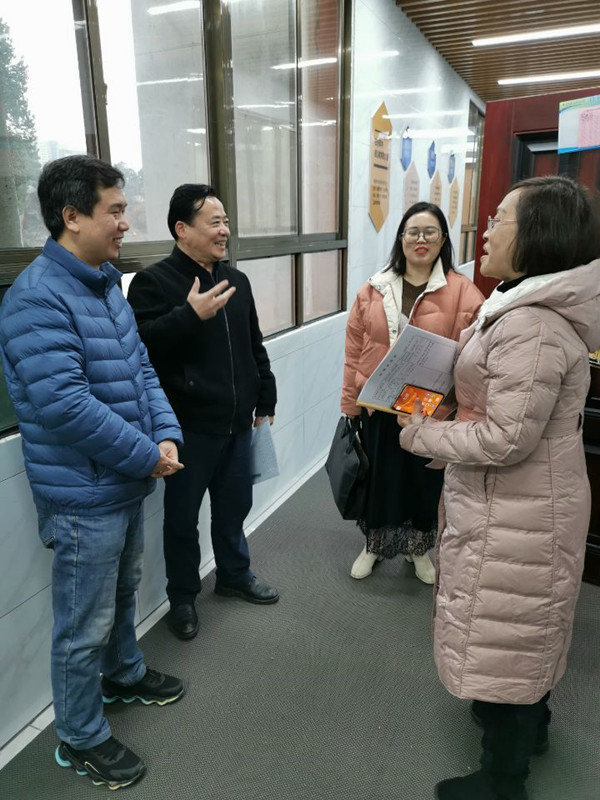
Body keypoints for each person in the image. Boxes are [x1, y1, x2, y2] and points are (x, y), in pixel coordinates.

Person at [398, 176, 600, 800]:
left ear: (538, 235)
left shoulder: (530, 325)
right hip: (517, 502)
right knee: (520, 628)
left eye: (500, 218)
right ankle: (529, 730)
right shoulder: (517, 304)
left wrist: (420, 436)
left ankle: (503, 782)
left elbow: (506, 439)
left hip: (519, 510)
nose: (485, 230)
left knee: (510, 633)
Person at [0, 155, 185, 790]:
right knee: (83, 626)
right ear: (72, 216)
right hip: (83, 495)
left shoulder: (105, 285)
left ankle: (124, 674)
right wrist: (147, 455)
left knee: (123, 593)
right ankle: (79, 736)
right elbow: (65, 407)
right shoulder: (36, 298)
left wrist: (165, 432)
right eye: (116, 210)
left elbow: (141, 370)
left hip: (122, 480)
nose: (126, 223)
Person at [128, 184, 278, 642]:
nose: (224, 230)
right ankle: (183, 598)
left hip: (237, 422)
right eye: (214, 222)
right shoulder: (153, 282)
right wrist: (189, 316)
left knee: (234, 508)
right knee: (181, 520)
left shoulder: (237, 280)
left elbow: (253, 343)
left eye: (225, 221)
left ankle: (233, 574)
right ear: (182, 228)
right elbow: (141, 346)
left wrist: (266, 395)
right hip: (187, 428)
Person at [342, 202, 483, 583]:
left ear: (443, 239)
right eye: (412, 232)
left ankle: (418, 550)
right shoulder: (374, 288)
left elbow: (475, 357)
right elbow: (353, 351)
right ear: (401, 238)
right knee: (380, 480)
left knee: (423, 483)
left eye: (430, 231)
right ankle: (374, 545)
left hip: (429, 411)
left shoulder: (464, 293)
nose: (421, 239)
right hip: (378, 404)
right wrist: (350, 405)